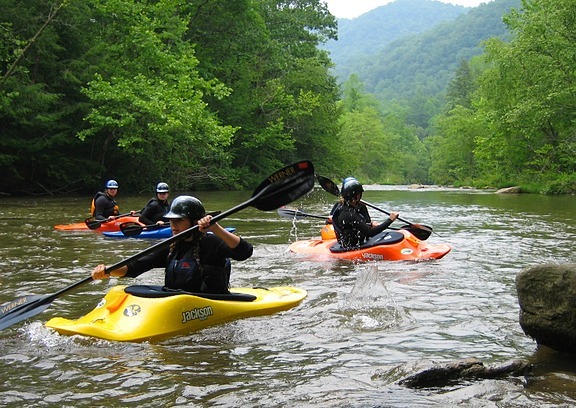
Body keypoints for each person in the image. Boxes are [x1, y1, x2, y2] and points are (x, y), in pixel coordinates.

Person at [91, 195, 253, 294]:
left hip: (210, 303)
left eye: (178, 220)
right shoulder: (172, 246)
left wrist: (216, 228)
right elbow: (136, 266)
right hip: (176, 303)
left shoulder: (211, 243)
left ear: (194, 222)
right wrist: (108, 271)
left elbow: (245, 252)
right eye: (171, 221)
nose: (173, 225)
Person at [333, 178, 399, 249]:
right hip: (351, 246)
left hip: (353, 242)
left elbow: (357, 225)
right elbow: (370, 233)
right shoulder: (349, 214)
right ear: (356, 195)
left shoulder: (342, 207)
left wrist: (370, 224)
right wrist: (390, 220)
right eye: (359, 194)